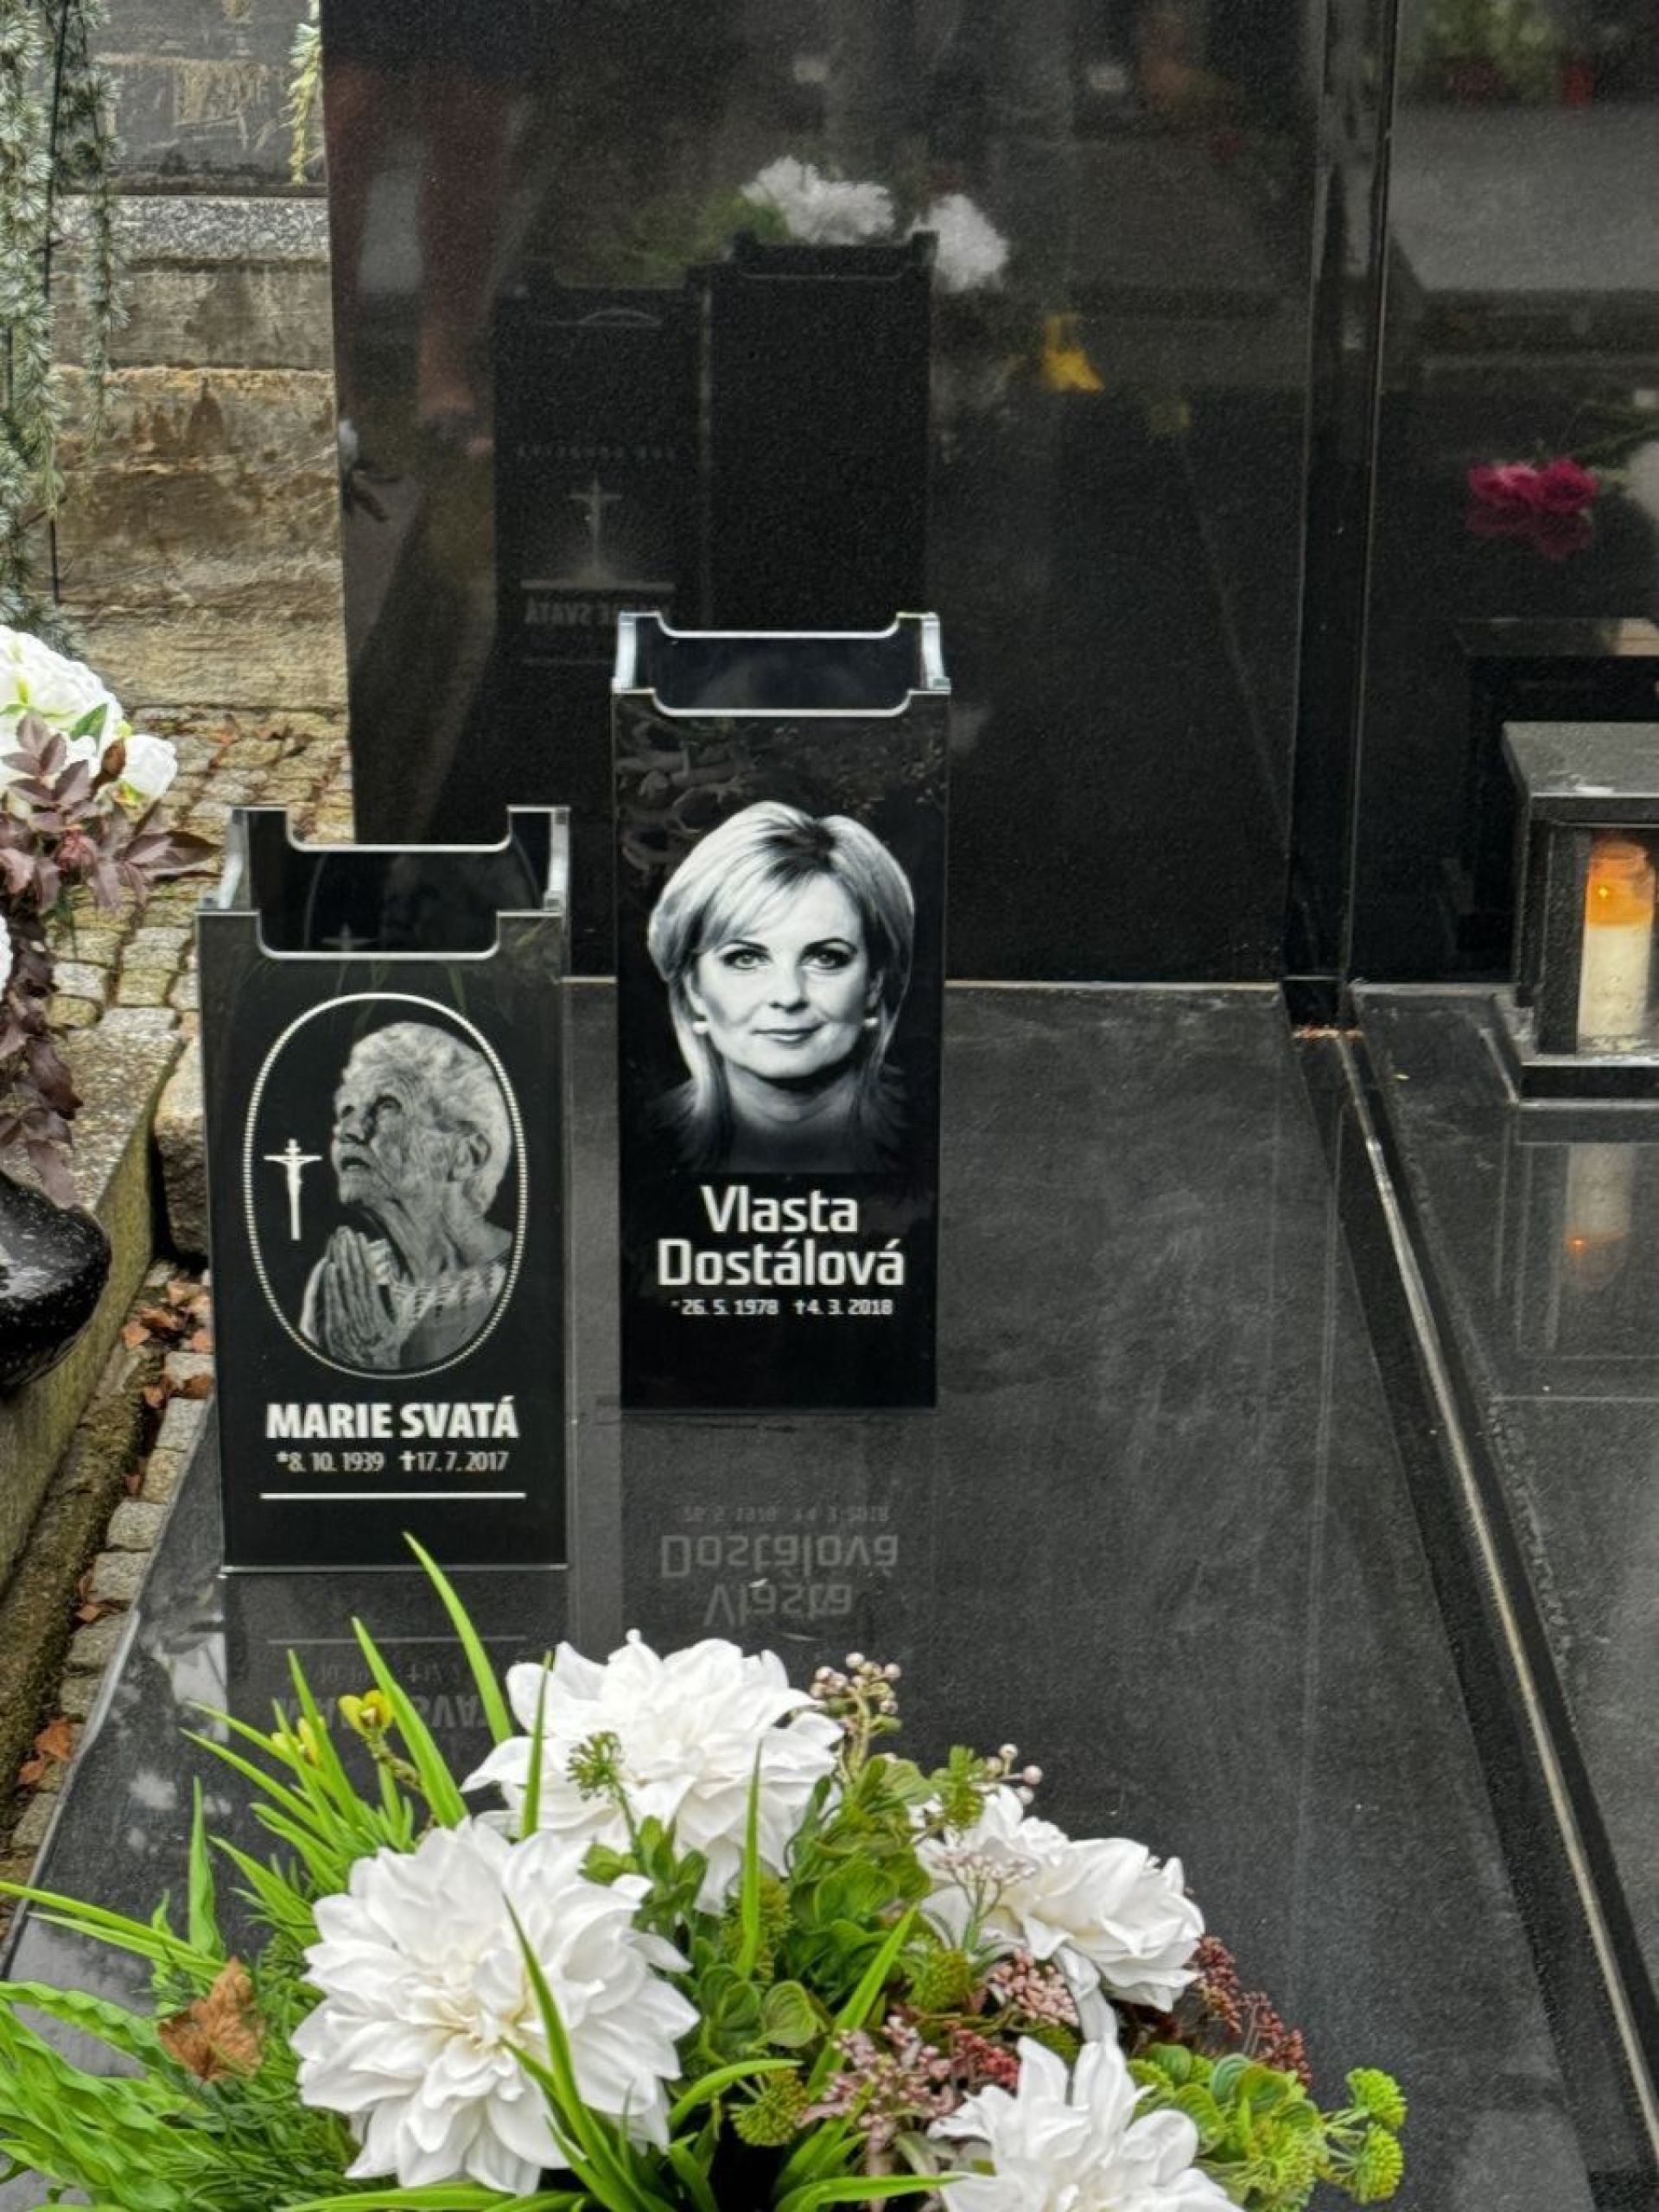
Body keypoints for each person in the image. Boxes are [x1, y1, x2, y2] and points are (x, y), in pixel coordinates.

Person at [646, 801, 915, 1173]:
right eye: (745, 959)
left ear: (874, 983)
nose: (788, 996)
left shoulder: (937, 1142)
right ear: (695, 989)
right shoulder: (639, 1147)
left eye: (826, 958)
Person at [301, 1021, 513, 1371]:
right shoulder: (338, 1280)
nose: (349, 1131)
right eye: (347, 1110)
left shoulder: (523, 1279)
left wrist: (375, 1362)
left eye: (387, 1106)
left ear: (466, 1155)